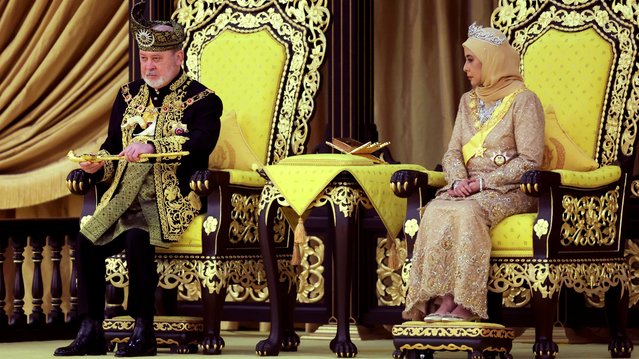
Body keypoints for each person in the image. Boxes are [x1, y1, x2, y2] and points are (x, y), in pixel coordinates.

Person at [54, 1, 222, 357]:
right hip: (122, 196)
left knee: (135, 237)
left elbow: (200, 144)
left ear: (179, 57)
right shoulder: (127, 95)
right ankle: (90, 329)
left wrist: (152, 144)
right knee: (87, 238)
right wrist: (98, 165)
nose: (149, 66)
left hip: (170, 196)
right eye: (145, 58)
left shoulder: (204, 100)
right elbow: (113, 146)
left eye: (156, 59)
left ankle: (143, 329)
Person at [402, 23, 544, 322]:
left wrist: (483, 181)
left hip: (511, 191)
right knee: (436, 209)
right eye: (466, 59)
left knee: (468, 212)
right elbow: (453, 151)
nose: (465, 67)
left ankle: (466, 302)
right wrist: (456, 180)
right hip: (467, 187)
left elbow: (531, 160)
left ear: (492, 60)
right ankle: (441, 300)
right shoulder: (468, 101)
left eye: (470, 59)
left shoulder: (524, 100)